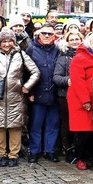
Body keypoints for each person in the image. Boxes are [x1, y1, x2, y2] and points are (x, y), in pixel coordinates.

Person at [0, 29, 40, 166]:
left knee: (15, 127)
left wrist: (26, 86)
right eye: (4, 41)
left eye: (10, 41)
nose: (7, 44)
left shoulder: (21, 55)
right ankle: (1, 154)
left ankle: (13, 154)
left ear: (14, 42)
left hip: (16, 97)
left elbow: (35, 72)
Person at [68, 32, 93, 170]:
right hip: (82, 100)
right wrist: (85, 100)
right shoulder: (79, 58)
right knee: (83, 132)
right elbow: (78, 81)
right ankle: (81, 157)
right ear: (89, 43)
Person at [26, 23, 61, 163]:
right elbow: (26, 72)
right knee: (36, 124)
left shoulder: (58, 50)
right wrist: (30, 92)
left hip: (53, 94)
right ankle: (34, 151)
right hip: (37, 93)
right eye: (44, 33)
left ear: (54, 36)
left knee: (52, 124)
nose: (47, 36)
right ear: (38, 34)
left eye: (50, 34)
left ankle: (49, 150)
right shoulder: (31, 50)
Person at [53, 30, 84, 161]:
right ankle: (67, 146)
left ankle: (79, 147)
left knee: (80, 123)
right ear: (67, 42)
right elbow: (56, 77)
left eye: (77, 39)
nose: (74, 42)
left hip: (81, 95)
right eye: (71, 40)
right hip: (65, 95)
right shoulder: (63, 57)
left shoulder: (85, 55)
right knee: (66, 122)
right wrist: (68, 80)